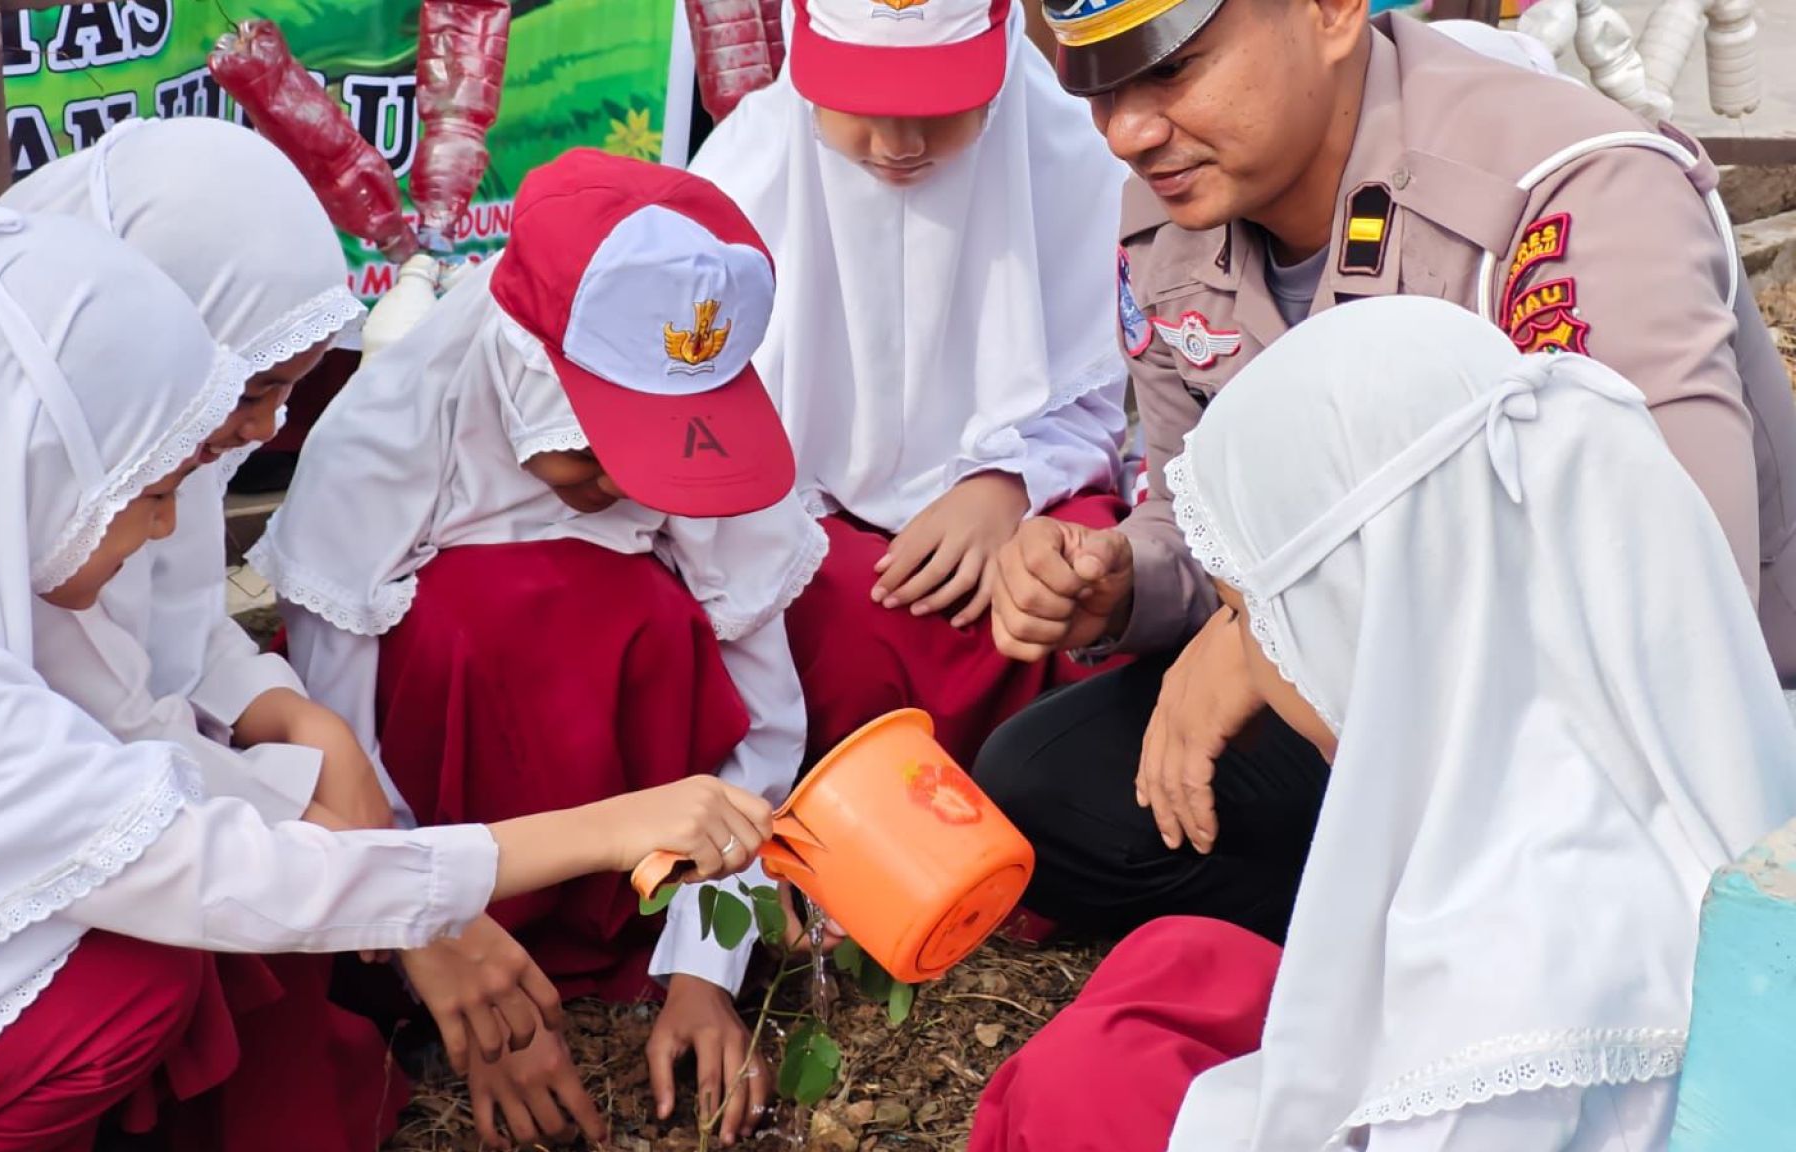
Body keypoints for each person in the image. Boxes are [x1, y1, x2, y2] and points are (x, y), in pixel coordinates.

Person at [0, 208, 774, 1151]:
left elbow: (160, 743)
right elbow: (214, 863)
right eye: (153, 491)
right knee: (148, 978)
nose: (167, 528)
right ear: (30, 461)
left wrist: (315, 766)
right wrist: (593, 834)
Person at [974, 0, 1796, 945]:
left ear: (1330, 12)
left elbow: (1665, 601)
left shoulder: (1576, 189)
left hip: (1643, 734)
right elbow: (1198, 510)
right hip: (1384, 708)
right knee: (1048, 786)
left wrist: (1269, 646)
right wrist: (1123, 580)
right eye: (1099, 85)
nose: (1126, 132)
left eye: (1174, 68)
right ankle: (1409, 926)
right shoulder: (1172, 212)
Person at [969, 296, 1796, 1152]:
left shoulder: (1503, 982)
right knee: (1176, 964)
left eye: (1255, 623)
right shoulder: (1612, 768)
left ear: (1366, 616)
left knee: (1084, 1082)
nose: (1249, 668)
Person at [250, 149, 822, 1149]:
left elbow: (762, 711)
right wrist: (443, 950)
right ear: (528, 368)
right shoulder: (387, 441)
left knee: (644, 614)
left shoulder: (676, 413)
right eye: (595, 446)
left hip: (641, 819)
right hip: (442, 849)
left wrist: (704, 968)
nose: (616, 479)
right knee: (473, 617)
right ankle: (482, 962)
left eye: (652, 448)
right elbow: (340, 747)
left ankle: (630, 935)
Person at [0, 117, 529, 1151]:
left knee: (314, 780)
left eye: (286, 392)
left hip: (122, 782)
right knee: (261, 892)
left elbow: (176, 624)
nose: (264, 434)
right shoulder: (26, 474)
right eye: (250, 392)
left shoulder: (149, 428)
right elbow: (94, 737)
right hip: (57, 823)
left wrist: (278, 711)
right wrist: (397, 892)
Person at [688, 0, 1135, 767]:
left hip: (1031, 497)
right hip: (805, 521)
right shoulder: (735, 185)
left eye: (940, 103)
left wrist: (1009, 481)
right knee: (831, 615)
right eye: (861, 102)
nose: (899, 144)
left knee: (1085, 571)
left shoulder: (1072, 159)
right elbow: (707, 440)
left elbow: (1099, 389)